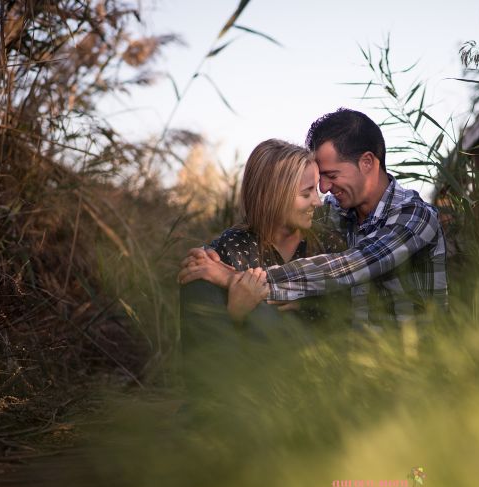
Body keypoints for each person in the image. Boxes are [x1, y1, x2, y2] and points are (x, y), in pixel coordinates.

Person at [179, 108, 447, 327]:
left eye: (331, 175)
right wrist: (210, 257)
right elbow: (280, 213)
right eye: (320, 179)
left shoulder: (415, 217)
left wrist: (235, 280)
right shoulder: (335, 211)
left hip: (407, 363)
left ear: (367, 162)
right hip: (346, 359)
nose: (324, 189)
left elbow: (348, 267)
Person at [179, 138, 347, 351]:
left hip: (318, 360)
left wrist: (240, 287)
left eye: (316, 191)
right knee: (198, 280)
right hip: (248, 362)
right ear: (272, 195)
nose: (317, 202)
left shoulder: (329, 244)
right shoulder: (230, 248)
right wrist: (234, 314)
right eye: (306, 193)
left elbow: (343, 317)